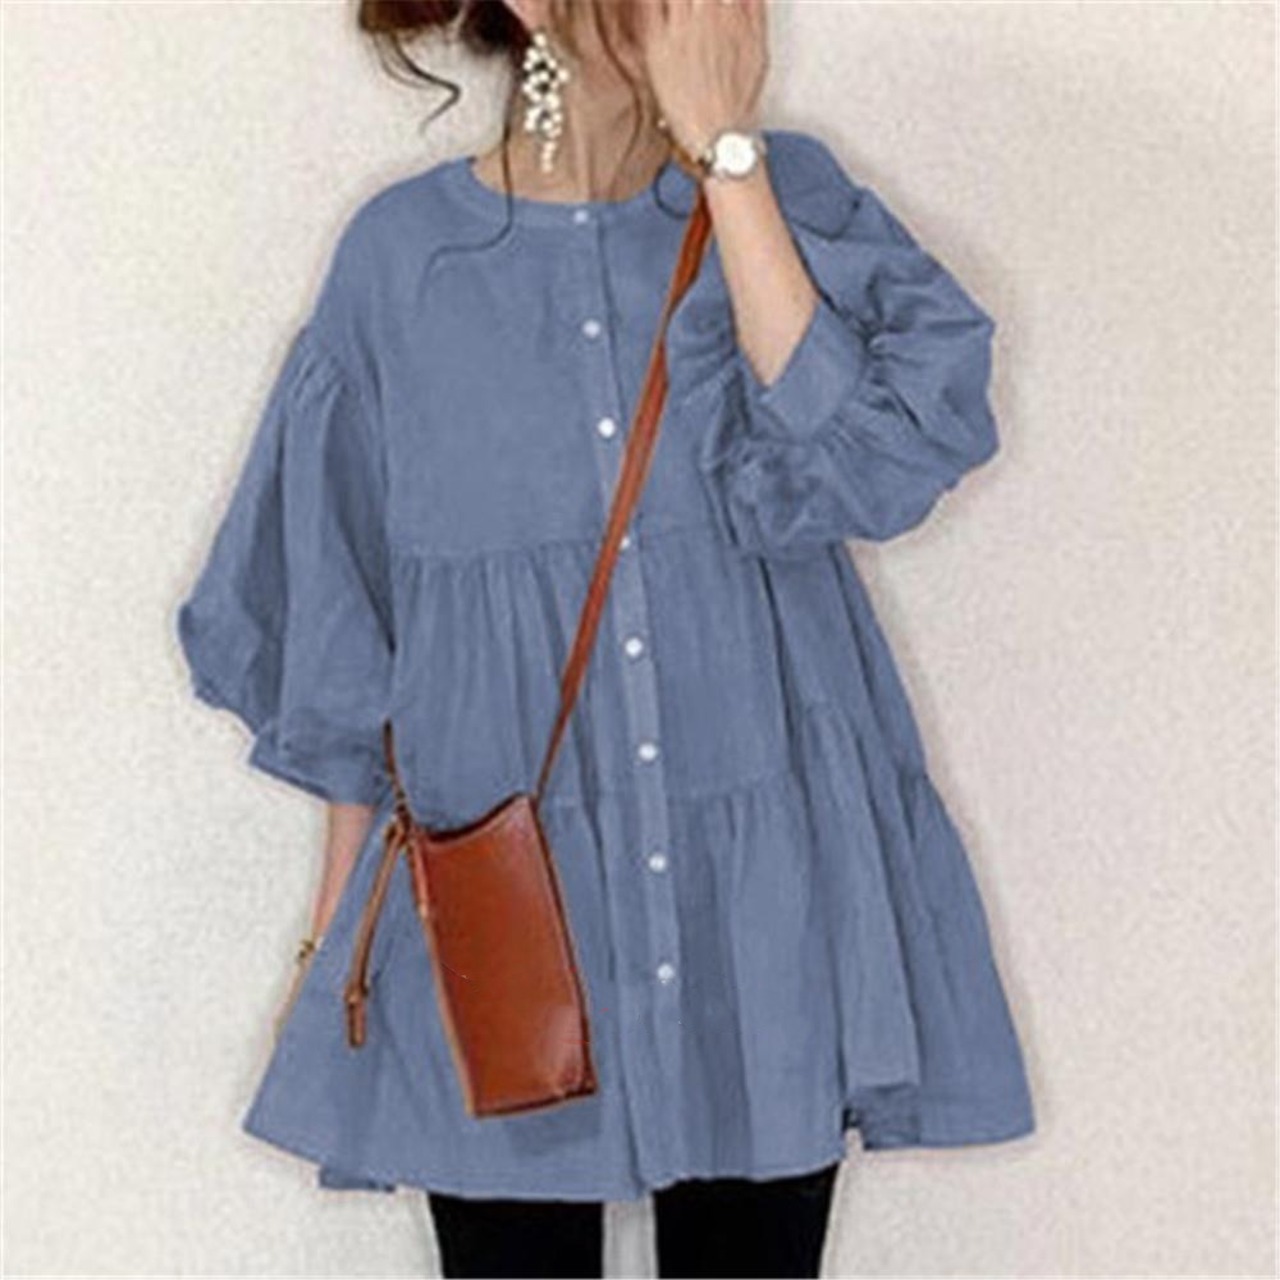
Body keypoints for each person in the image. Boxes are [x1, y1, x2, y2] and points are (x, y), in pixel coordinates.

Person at [175, 0, 1036, 1275]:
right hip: (506, 923)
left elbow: (870, 467)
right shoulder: (401, 265)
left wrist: (728, 158)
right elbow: (343, 635)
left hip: (759, 912)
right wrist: (336, 947)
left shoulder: (781, 204)